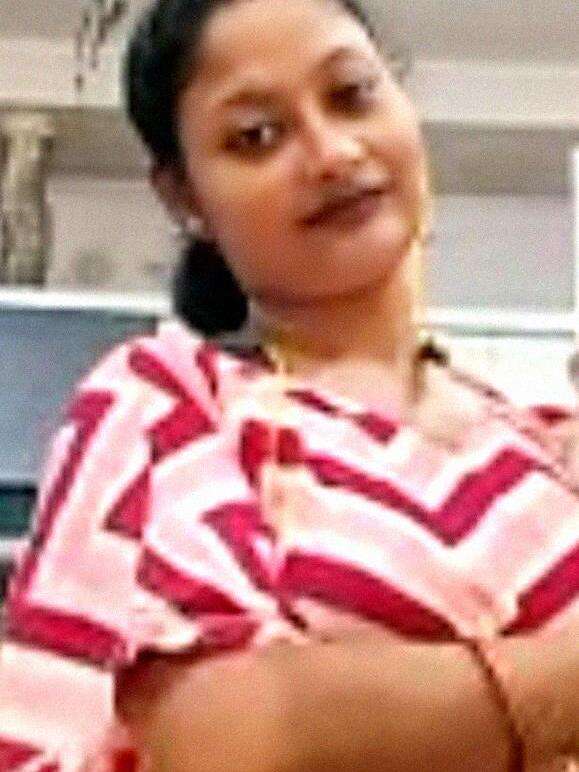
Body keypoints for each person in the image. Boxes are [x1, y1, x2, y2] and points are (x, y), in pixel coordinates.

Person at [0, 0, 577, 770]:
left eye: (351, 95)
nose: (332, 152)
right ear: (186, 198)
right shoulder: (171, 401)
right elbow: (228, 739)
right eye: (256, 136)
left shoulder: (542, 449)